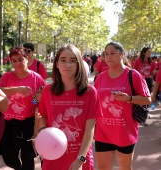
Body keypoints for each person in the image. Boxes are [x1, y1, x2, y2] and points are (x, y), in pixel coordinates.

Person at [38, 44, 100, 170]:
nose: (67, 64)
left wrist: (80, 159)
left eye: (72, 61)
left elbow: (90, 129)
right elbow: (43, 117)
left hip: (79, 157)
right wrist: (43, 135)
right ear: (57, 64)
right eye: (63, 60)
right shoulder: (47, 91)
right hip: (53, 155)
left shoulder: (90, 92)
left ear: (79, 64)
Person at [94, 42, 151, 170]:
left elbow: (147, 99)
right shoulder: (100, 78)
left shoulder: (133, 75)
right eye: (106, 54)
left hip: (125, 132)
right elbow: (95, 103)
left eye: (112, 53)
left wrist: (129, 99)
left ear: (122, 55)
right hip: (103, 132)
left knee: (125, 167)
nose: (108, 57)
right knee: (103, 167)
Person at [0, 47, 46, 170]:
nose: (17, 63)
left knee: (28, 158)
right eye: (14, 61)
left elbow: (41, 101)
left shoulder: (37, 78)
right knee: (8, 157)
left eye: (20, 59)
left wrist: (38, 127)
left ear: (27, 58)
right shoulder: (7, 77)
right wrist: (16, 89)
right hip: (8, 123)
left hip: (28, 123)